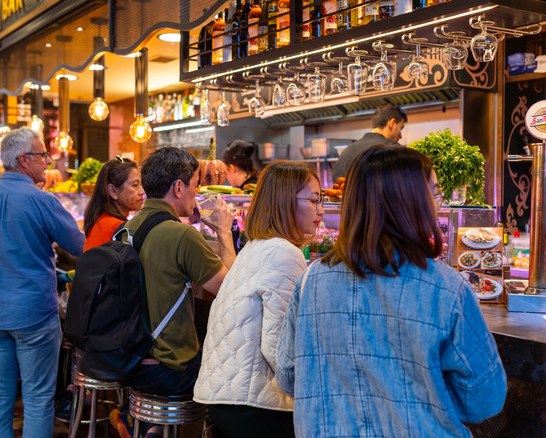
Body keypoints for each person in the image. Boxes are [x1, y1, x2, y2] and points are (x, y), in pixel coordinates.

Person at [276, 146, 506, 437]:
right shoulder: (447, 288)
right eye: (433, 194)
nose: (436, 203)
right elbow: (484, 400)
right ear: (414, 203)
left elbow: (288, 376)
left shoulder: (311, 280)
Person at [0, 127, 85, 438]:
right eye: (43, 156)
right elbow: (79, 246)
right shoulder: (41, 200)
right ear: (24, 160)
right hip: (34, 315)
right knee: (37, 399)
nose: (47, 162)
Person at [111, 147, 236, 437]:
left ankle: (150, 425)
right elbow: (230, 289)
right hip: (169, 369)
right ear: (178, 187)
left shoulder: (126, 228)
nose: (197, 193)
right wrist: (224, 233)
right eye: (195, 185)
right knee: (232, 374)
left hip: (126, 360)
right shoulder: (181, 234)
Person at [193, 161, 323, 438]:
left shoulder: (257, 246)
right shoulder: (284, 254)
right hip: (252, 405)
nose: (321, 211)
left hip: (225, 397)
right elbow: (279, 350)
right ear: (286, 203)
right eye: (314, 200)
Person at [82, 156, 145, 252]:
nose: (142, 191)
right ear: (112, 191)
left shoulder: (102, 220)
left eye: (141, 185)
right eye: (135, 185)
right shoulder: (117, 228)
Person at [330, 104, 407, 180]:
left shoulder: (348, 150)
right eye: (401, 128)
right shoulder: (393, 148)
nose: (400, 136)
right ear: (392, 123)